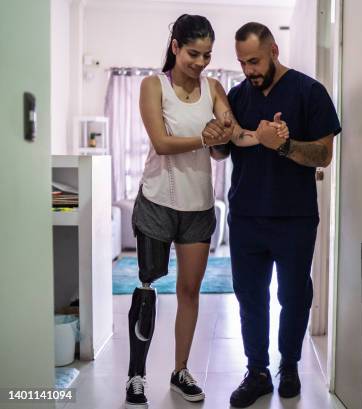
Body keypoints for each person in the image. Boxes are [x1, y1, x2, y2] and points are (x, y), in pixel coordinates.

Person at [125, 15, 287, 409]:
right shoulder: (153, 85)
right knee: (148, 287)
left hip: (198, 207)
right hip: (158, 200)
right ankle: (136, 376)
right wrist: (205, 137)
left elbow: (227, 140)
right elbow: (162, 143)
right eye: (193, 53)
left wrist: (262, 137)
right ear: (176, 46)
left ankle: (180, 370)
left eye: (207, 55)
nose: (200, 62)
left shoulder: (213, 88)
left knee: (189, 292)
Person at [210, 22, 342, 408]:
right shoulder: (236, 96)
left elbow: (324, 155)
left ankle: (289, 364)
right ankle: (257, 371)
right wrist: (216, 143)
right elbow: (223, 152)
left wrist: (282, 145)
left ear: (273, 51)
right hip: (247, 216)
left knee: (294, 296)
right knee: (250, 299)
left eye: (254, 60)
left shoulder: (309, 92)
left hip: (295, 218)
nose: (248, 69)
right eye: (242, 62)